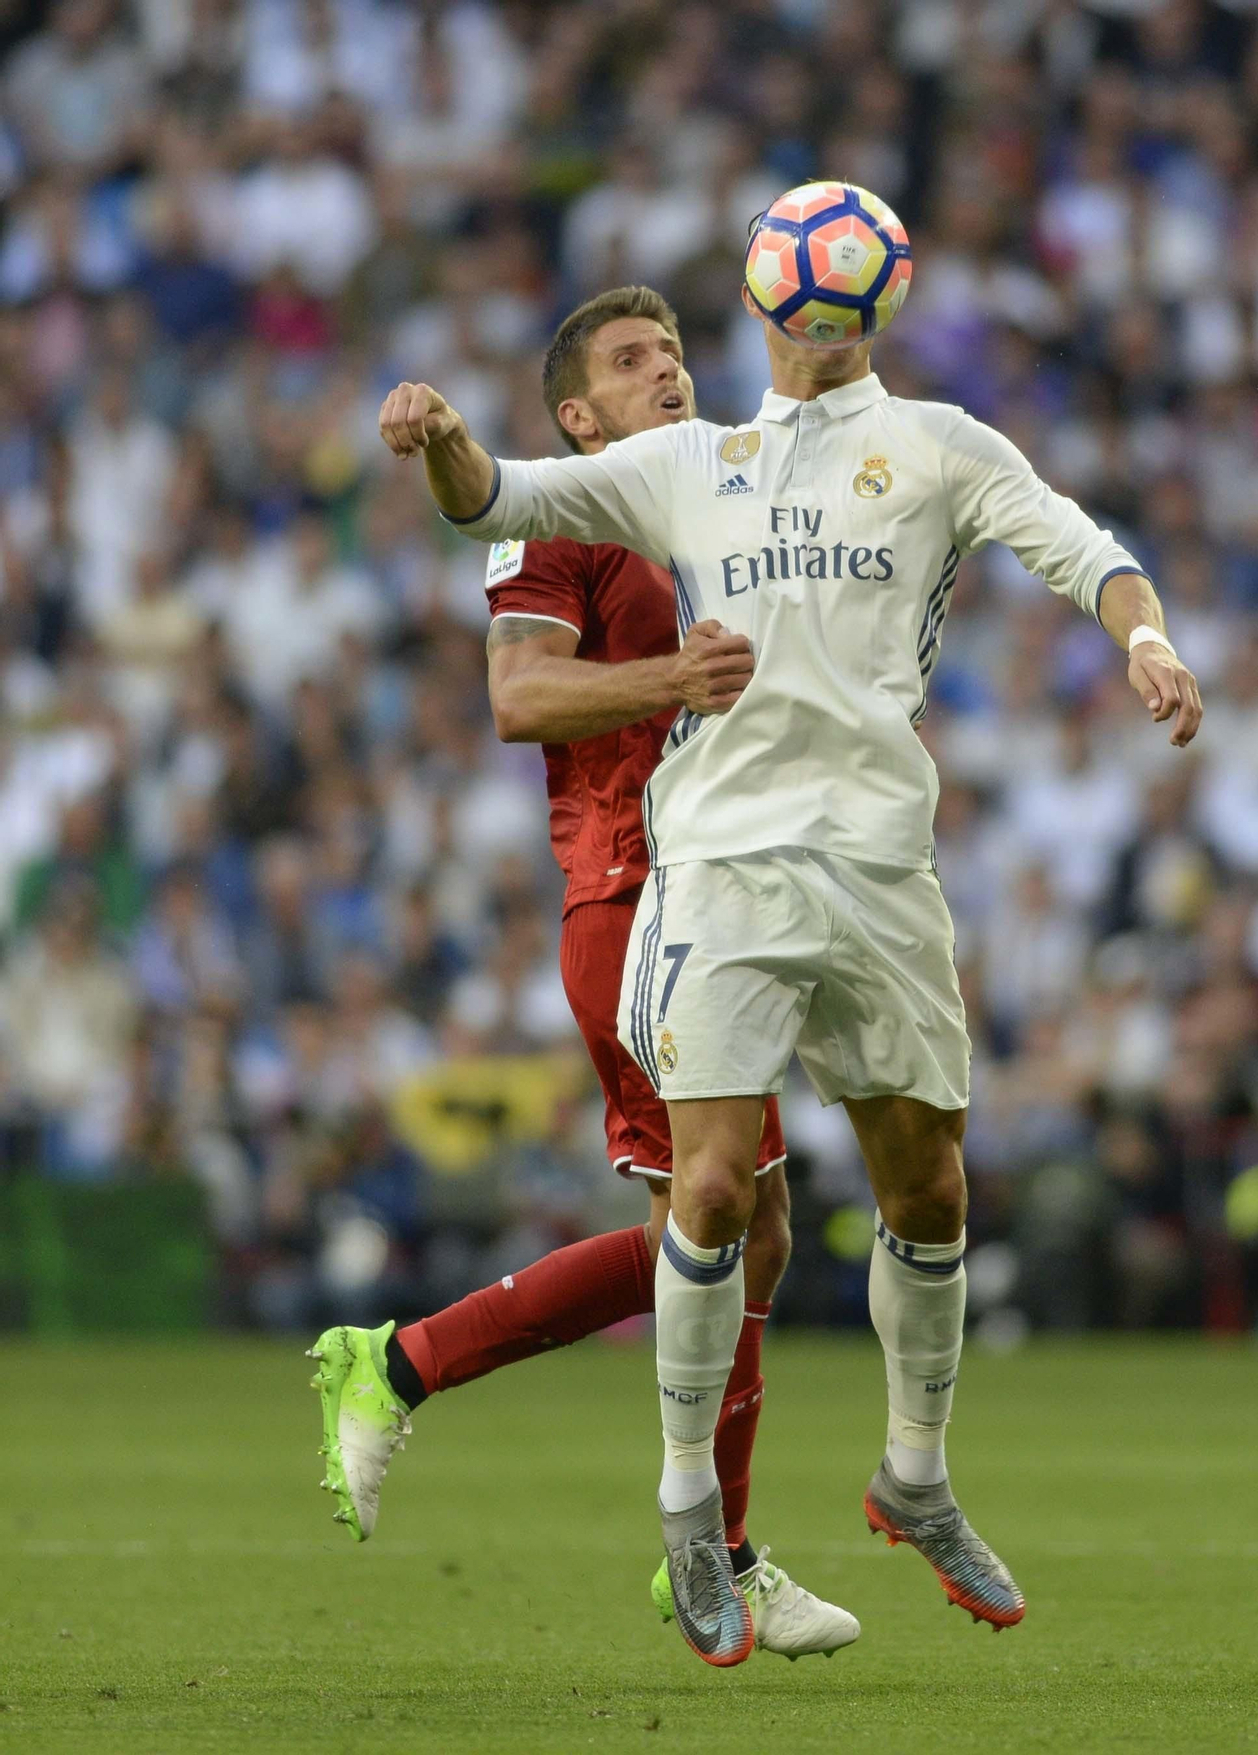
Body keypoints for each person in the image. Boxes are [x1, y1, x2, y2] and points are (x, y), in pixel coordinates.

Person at [377, 181, 1203, 1668]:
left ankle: (916, 1477)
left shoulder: (942, 444)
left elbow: (1085, 547)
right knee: (710, 1197)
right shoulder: (691, 463)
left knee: (933, 1192)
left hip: (881, 866)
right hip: (723, 870)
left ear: (866, 299)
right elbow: (492, 499)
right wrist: (439, 439)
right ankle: (694, 1516)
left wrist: (1144, 639)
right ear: (775, 299)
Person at [312, 286, 858, 1663]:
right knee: (720, 1217)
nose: (667, 371)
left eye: (674, 352)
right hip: (632, 904)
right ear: (576, 416)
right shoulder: (562, 516)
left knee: (758, 1233)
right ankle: (413, 1375)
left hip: (727, 895)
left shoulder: (707, 504)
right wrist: (676, 678)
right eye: (631, 361)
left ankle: (696, 1537)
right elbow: (518, 698)